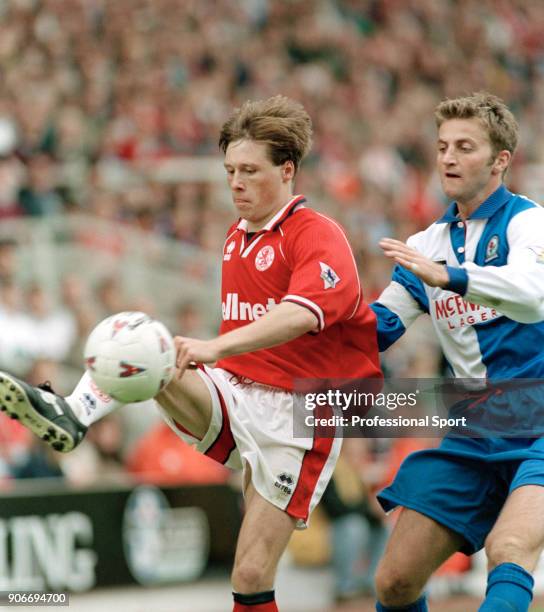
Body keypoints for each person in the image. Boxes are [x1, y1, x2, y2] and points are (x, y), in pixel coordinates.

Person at [0, 95, 382, 612]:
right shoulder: (234, 237)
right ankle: (74, 414)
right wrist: (212, 355)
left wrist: (215, 346)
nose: (235, 183)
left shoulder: (317, 233)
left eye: (249, 170)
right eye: (229, 170)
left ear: (287, 170)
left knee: (249, 576)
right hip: (238, 392)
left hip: (300, 413)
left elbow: (302, 313)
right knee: (144, 339)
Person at [370, 92, 544, 611]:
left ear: (499, 161)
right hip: (475, 430)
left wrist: (450, 276)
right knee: (395, 583)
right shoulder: (426, 244)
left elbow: (533, 294)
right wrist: (309, 320)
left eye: (464, 147)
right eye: (443, 146)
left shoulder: (528, 222)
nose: (447, 157)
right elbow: (378, 328)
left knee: (508, 546)